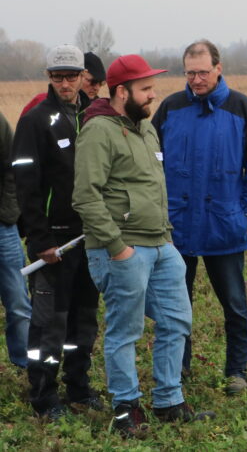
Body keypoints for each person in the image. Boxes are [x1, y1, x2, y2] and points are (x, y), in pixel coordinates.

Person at [73, 54, 213, 438]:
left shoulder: (146, 128)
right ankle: (126, 407)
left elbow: (154, 186)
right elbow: (86, 197)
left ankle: (169, 400)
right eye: (145, 88)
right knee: (125, 329)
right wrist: (117, 247)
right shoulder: (98, 131)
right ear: (122, 92)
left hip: (161, 244)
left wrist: (165, 237)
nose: (153, 95)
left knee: (176, 320)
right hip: (122, 249)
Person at [152, 40, 247, 395]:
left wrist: (246, 213)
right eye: (190, 72)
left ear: (219, 68)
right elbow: (151, 163)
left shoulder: (242, 108)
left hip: (225, 227)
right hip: (177, 228)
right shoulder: (170, 109)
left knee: (235, 306)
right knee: (176, 306)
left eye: (203, 72)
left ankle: (237, 371)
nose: (196, 79)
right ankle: (179, 368)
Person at [10, 44, 101, 421]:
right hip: (54, 243)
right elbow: (24, 187)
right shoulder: (34, 121)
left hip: (89, 237)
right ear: (49, 77)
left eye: (71, 76)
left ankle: (79, 385)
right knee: (49, 321)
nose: (65, 83)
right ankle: (44, 394)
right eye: (57, 76)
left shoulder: (95, 117)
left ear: (83, 78)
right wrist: (40, 239)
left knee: (84, 318)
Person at [0, 111, 31, 371]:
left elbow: (13, 168)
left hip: (2, 228)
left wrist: (8, 212)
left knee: (18, 299)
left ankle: (25, 365)